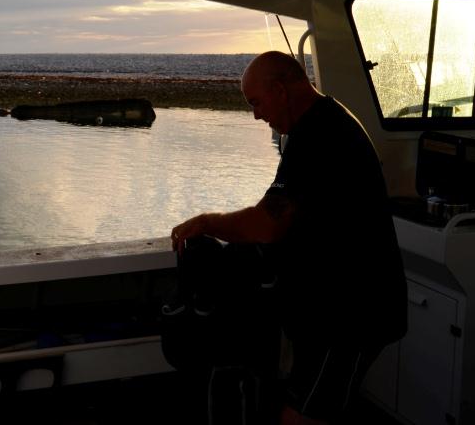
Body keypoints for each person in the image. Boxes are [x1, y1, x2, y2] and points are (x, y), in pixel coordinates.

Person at [170, 51, 406, 425]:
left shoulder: (321, 134)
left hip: (352, 314)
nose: (256, 115)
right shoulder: (314, 127)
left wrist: (206, 223)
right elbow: (290, 212)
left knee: (302, 417)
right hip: (331, 308)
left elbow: (269, 223)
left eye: (256, 103)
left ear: (280, 91)